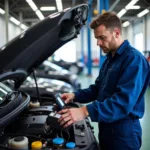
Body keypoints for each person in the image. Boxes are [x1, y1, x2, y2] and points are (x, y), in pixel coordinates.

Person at [57, 12, 150, 150]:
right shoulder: (110, 59)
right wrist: (75, 95)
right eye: (96, 38)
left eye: (102, 37)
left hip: (123, 133)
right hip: (106, 126)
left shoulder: (133, 59)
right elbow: (98, 88)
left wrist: (84, 111)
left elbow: (123, 102)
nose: (98, 43)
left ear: (116, 33)